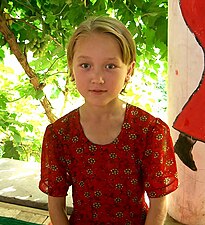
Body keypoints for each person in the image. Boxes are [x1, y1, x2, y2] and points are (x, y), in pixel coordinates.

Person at [39, 16, 178, 225]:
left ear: (129, 71)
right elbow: (55, 206)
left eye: (110, 66)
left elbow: (159, 204)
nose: (98, 78)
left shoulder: (150, 131)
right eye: (85, 65)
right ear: (72, 68)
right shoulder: (59, 134)